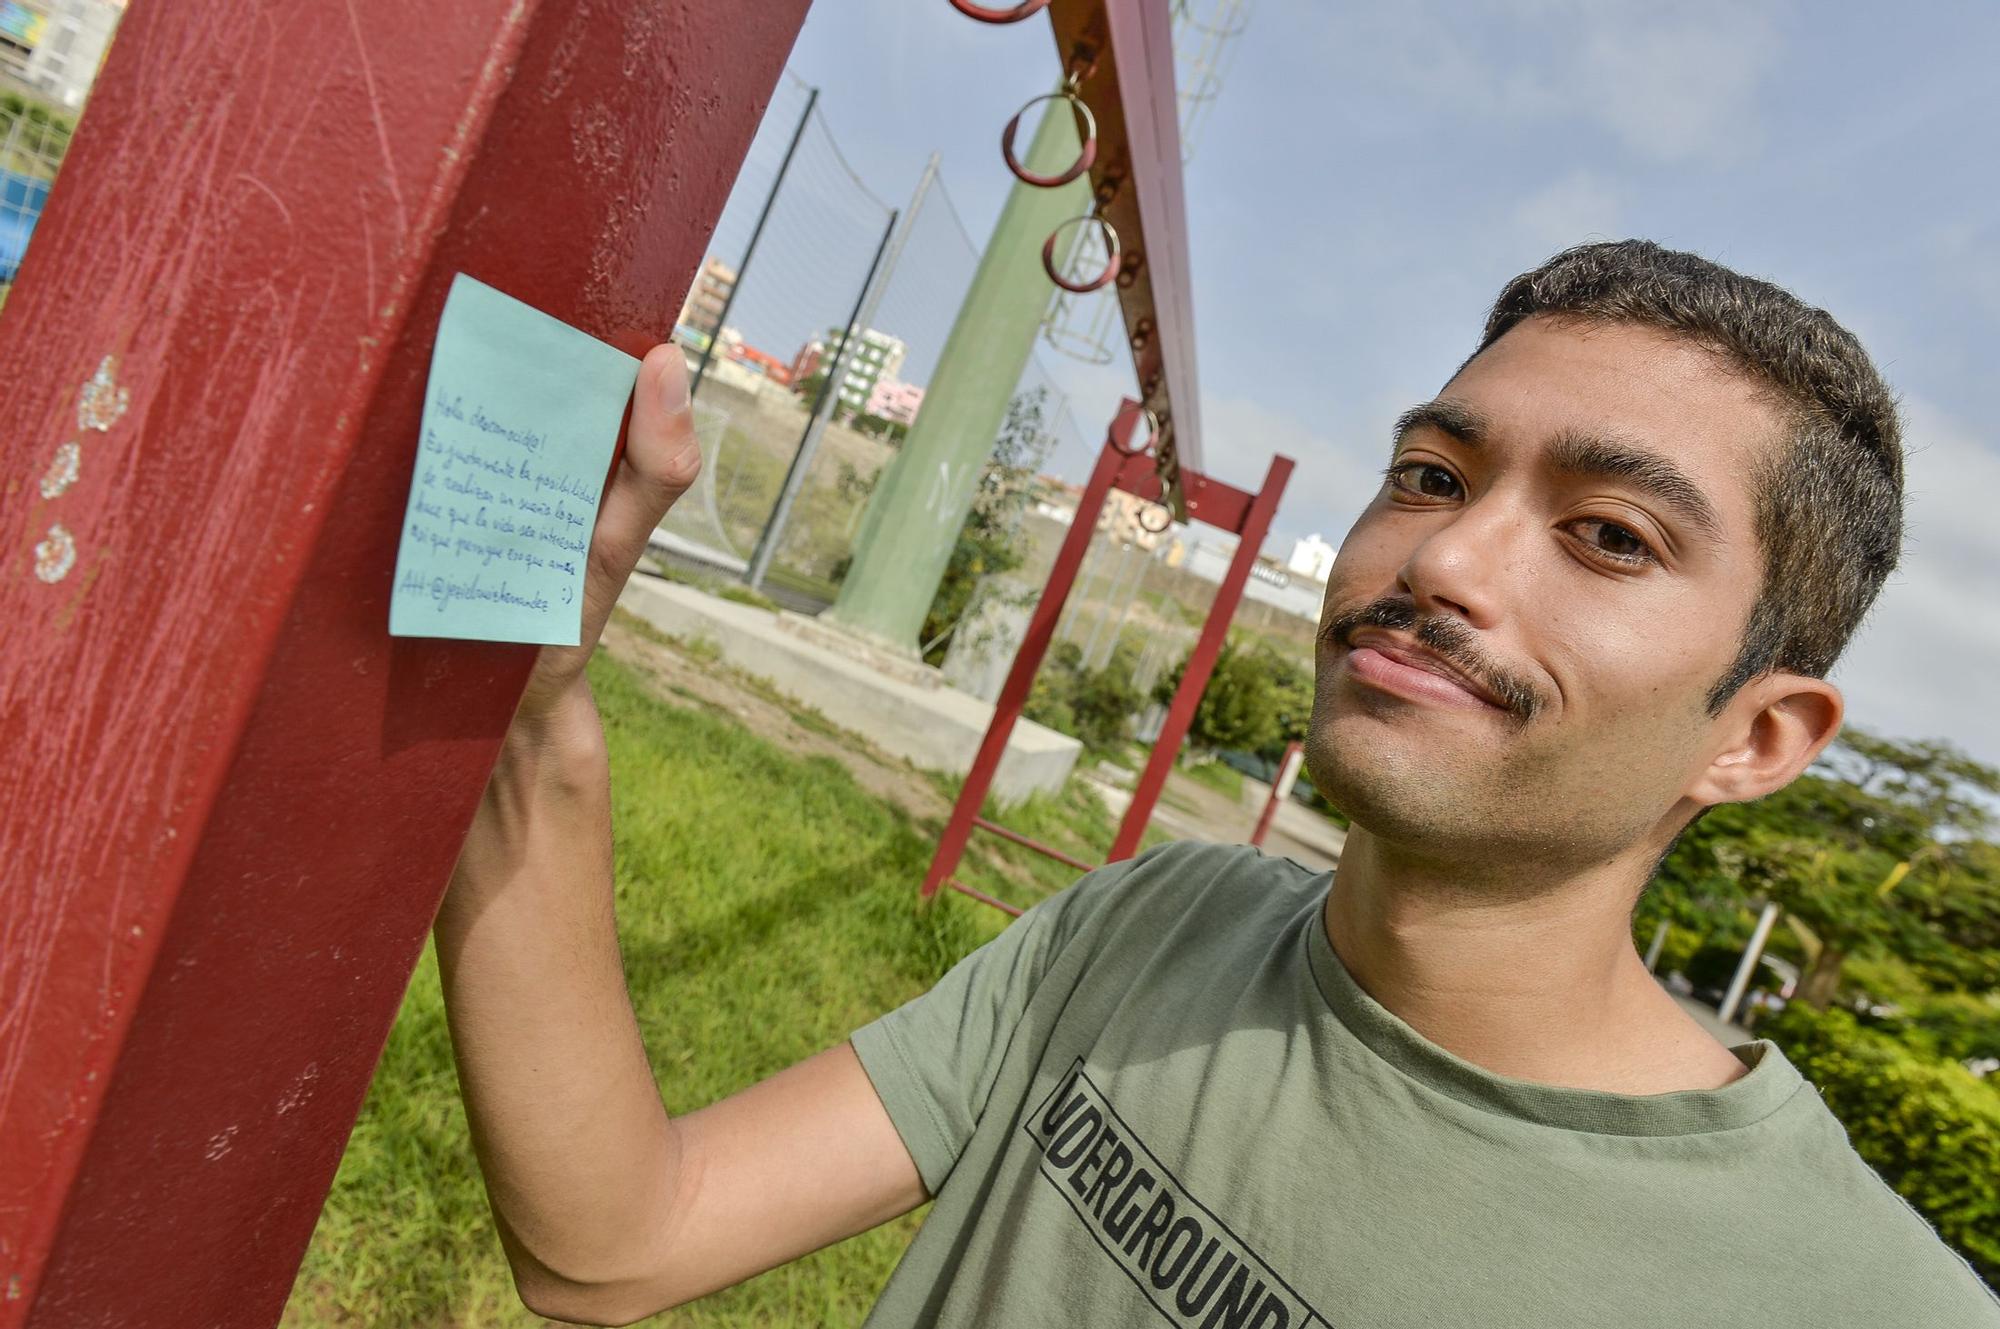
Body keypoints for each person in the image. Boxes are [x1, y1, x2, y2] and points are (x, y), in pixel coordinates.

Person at [435, 241, 2000, 1327]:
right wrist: (539, 698)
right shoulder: (1148, 927)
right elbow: (613, 1240)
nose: (1443, 557)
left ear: (1759, 737)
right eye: (1434, 476)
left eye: (1609, 535)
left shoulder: (1846, 1299)